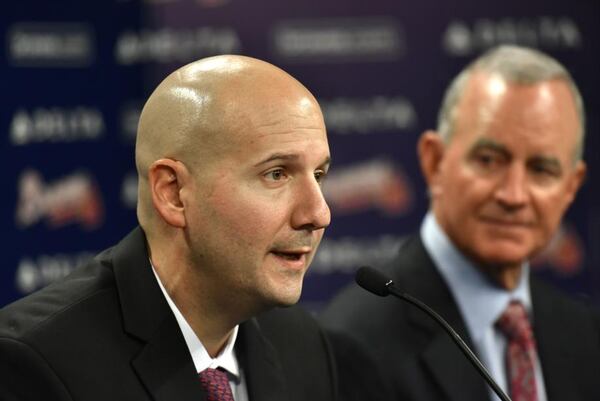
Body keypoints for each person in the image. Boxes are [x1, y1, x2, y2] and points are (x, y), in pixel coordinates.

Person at [0, 55, 337, 401]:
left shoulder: (303, 345)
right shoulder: (35, 364)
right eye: (276, 174)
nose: (319, 213)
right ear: (173, 193)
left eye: (319, 175)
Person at [322, 45, 600, 401]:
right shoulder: (351, 343)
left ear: (571, 187)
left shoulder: (586, 334)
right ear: (434, 161)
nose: (514, 195)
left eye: (541, 169)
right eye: (488, 160)